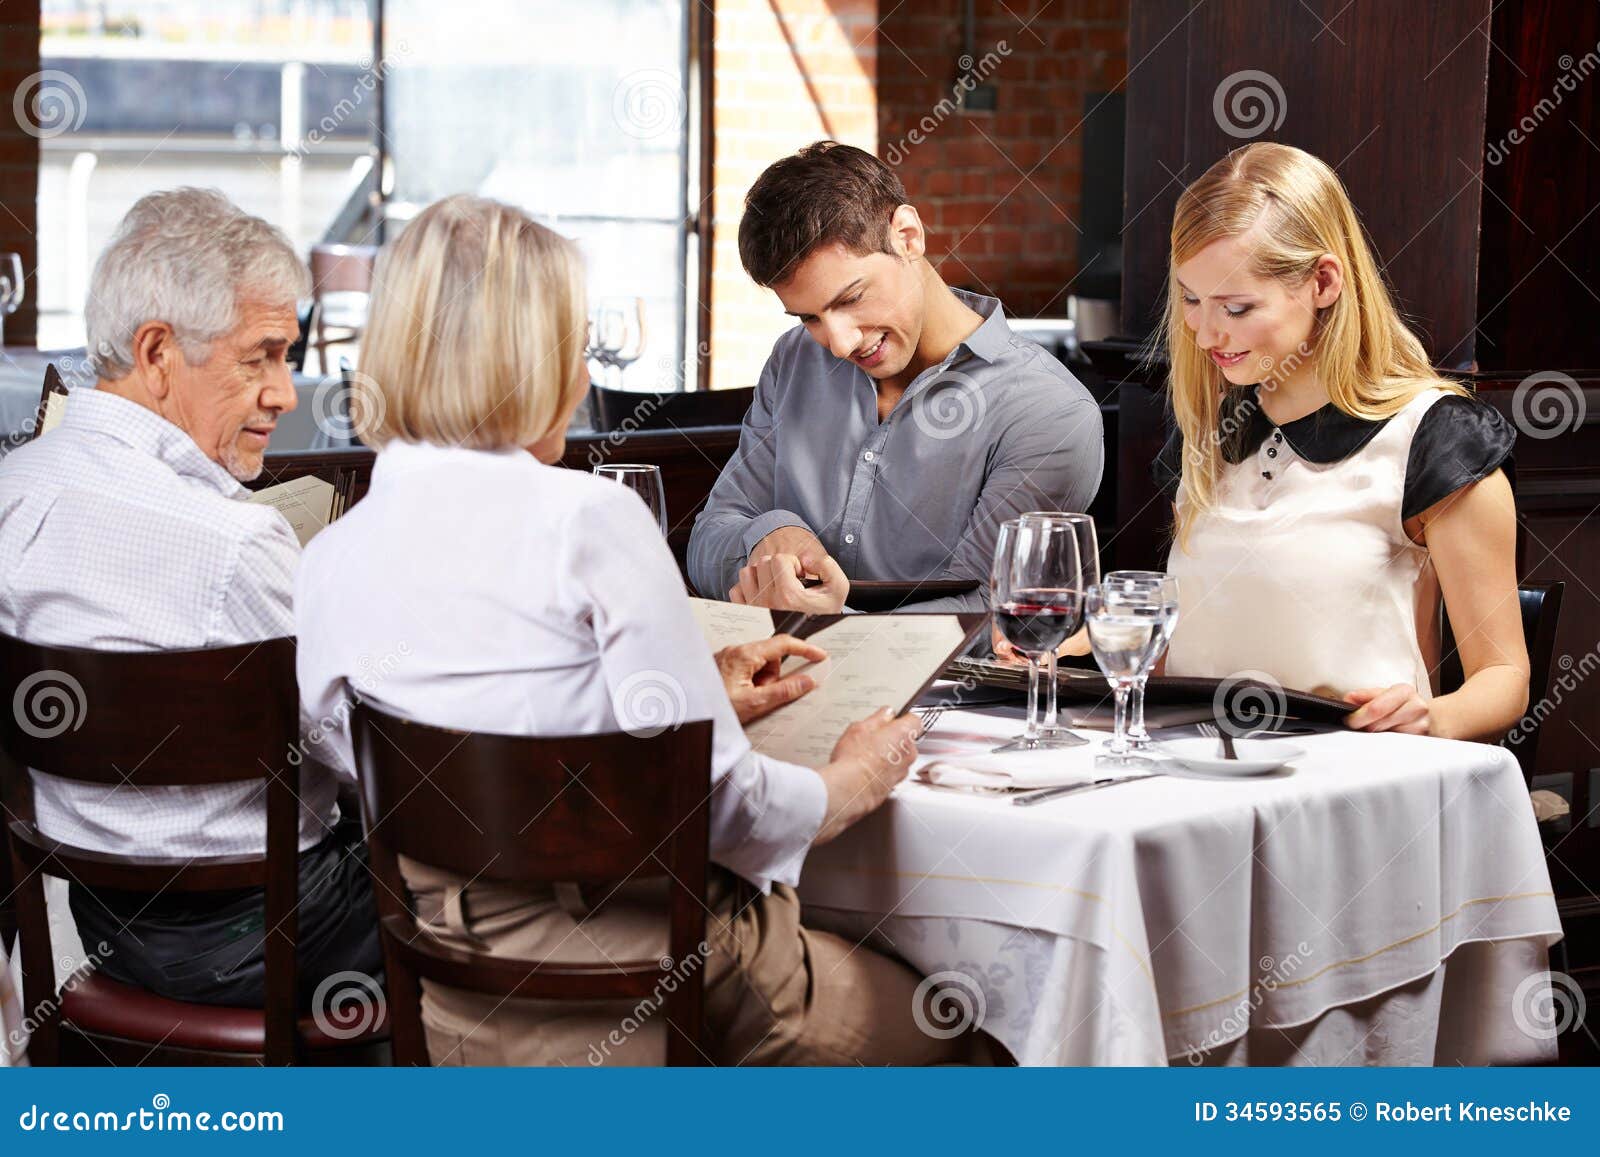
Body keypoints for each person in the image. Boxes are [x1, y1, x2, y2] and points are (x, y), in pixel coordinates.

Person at [295, 194, 992, 1066]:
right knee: (979, 1025)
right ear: (533, 360)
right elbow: (727, 810)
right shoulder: (588, 520)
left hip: (459, 1002)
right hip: (657, 974)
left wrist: (665, 709)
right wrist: (855, 776)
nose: (583, 374)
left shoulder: (332, 553)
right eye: (570, 343)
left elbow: (356, 762)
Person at [0, 188, 382, 1004]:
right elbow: (376, 756)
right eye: (262, 356)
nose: (284, 392)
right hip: (268, 938)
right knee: (489, 886)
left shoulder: (12, 489)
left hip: (91, 918)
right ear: (158, 351)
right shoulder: (235, 542)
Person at [1152, 142, 1528, 739]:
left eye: (1237, 306)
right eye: (1191, 300)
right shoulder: (1210, 431)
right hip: (1194, 772)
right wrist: (1090, 639)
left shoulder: (1434, 438)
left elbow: (1504, 677)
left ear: (1324, 282)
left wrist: (1432, 716)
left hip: (1354, 779)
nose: (1205, 332)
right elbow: (1197, 644)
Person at [687, 141, 1103, 615]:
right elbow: (710, 538)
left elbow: (993, 612)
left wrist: (831, 626)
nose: (839, 343)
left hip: (941, 692)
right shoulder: (794, 360)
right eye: (809, 318)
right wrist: (770, 534)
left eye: (850, 299)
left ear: (907, 236)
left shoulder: (1049, 412)